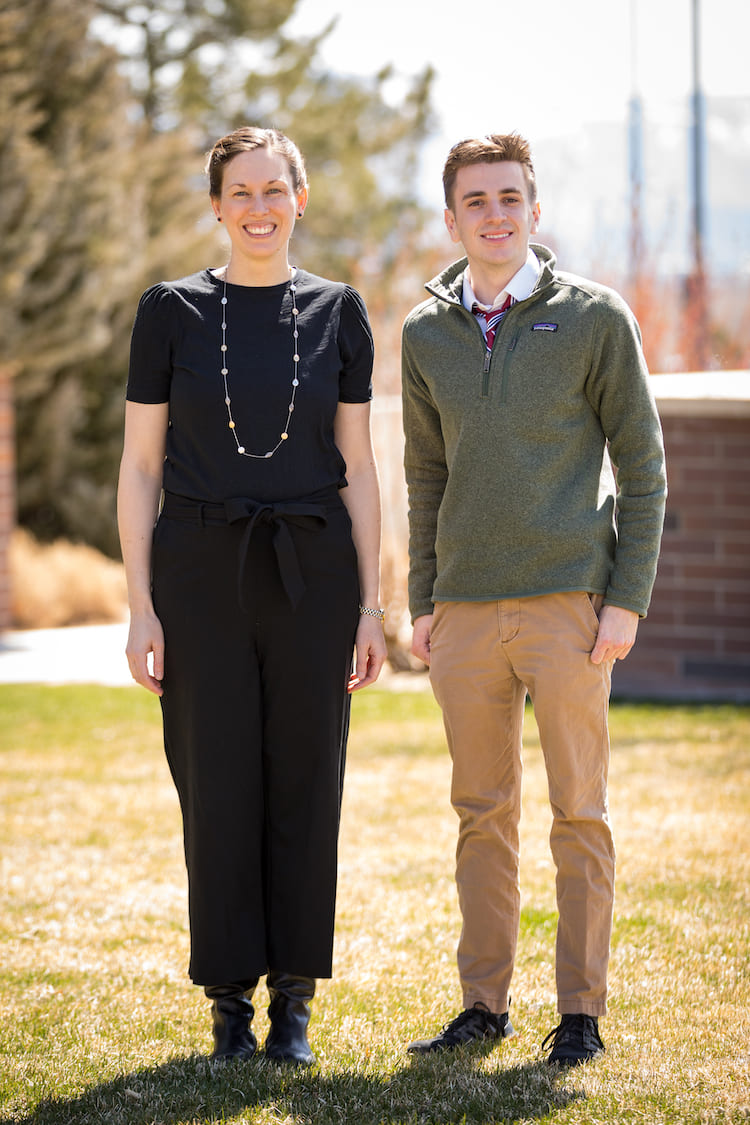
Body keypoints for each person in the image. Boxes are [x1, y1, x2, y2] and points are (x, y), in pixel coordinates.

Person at [117, 126, 387, 1066]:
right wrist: (141, 603)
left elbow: (357, 466)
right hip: (196, 573)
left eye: (276, 189)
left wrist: (371, 607)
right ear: (218, 205)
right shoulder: (170, 312)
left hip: (315, 575)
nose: (260, 207)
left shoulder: (340, 312)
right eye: (242, 191)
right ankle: (229, 1004)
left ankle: (295, 1005)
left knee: (308, 782)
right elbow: (140, 468)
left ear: (300, 199)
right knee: (217, 780)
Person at [401, 133, 666, 1067]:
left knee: (579, 812)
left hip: (568, 604)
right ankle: (483, 1004)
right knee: (481, 810)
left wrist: (624, 598)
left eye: (511, 197)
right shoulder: (424, 332)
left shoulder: (595, 317)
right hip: (466, 610)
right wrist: (422, 600)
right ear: (451, 218)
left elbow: (644, 467)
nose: (496, 215)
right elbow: (424, 472)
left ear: (535, 210)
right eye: (476, 201)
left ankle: (581, 1012)